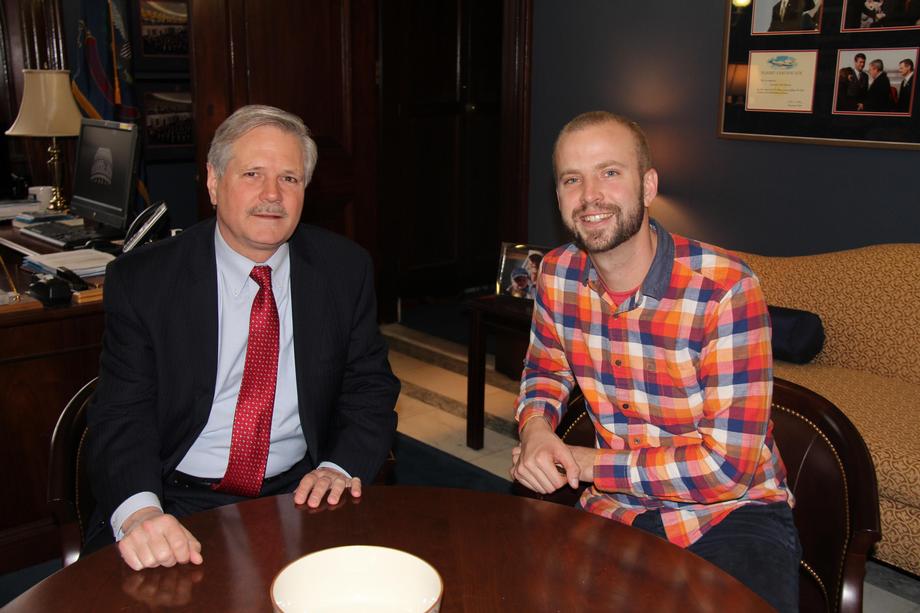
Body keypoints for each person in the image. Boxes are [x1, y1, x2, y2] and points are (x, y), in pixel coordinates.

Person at [86, 104, 400, 570]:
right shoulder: (145, 281)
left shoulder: (343, 270)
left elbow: (370, 390)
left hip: (301, 493)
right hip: (175, 495)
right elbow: (121, 413)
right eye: (252, 173)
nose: (272, 194)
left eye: (289, 179)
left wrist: (337, 467)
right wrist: (142, 510)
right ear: (214, 182)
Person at [510, 111, 801, 612]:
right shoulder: (555, 274)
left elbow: (727, 469)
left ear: (647, 185)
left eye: (610, 172)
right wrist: (536, 428)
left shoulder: (726, 289)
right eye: (572, 179)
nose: (590, 196)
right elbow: (545, 369)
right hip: (613, 507)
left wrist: (586, 461)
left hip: (731, 514)